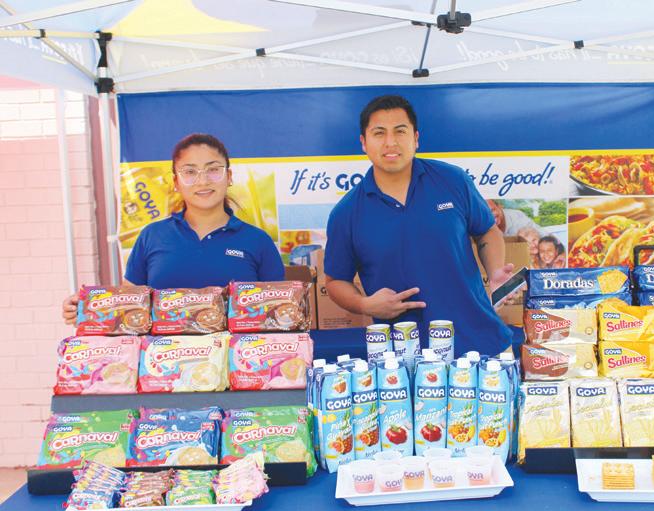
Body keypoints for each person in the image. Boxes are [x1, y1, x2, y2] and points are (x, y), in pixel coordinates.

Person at [324, 94, 513, 356]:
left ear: (415, 139)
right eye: (379, 133)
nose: (390, 142)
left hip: (480, 343)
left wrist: (495, 272)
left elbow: (487, 231)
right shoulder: (346, 212)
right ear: (363, 142)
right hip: (402, 359)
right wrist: (365, 305)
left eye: (400, 131)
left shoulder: (452, 180)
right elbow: (335, 281)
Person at [62, 133, 284, 324]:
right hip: (163, 358)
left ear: (229, 177)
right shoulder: (153, 236)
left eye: (213, 170)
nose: (203, 181)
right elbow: (128, 306)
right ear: (176, 182)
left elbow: (280, 311)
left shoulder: (258, 241)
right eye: (190, 172)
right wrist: (85, 309)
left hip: (237, 360)